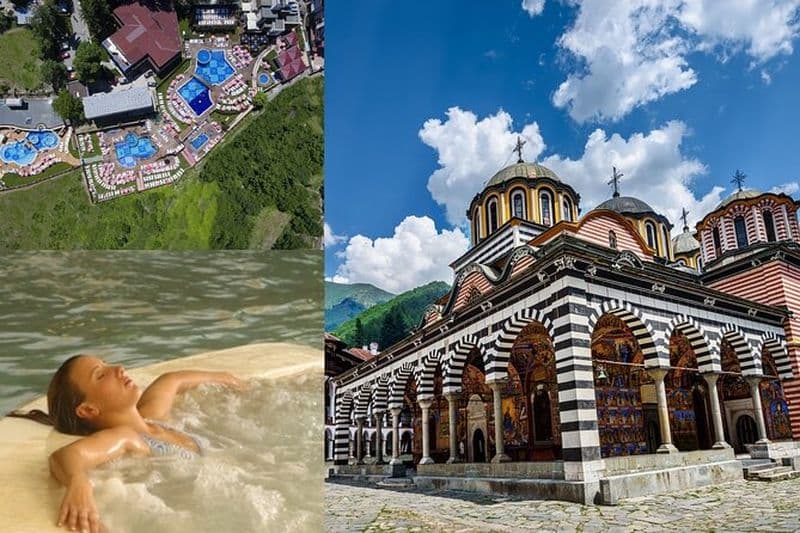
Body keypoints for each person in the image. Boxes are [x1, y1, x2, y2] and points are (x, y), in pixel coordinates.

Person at [9, 354, 244, 533]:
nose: (118, 369)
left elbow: (172, 380)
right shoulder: (127, 437)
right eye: (100, 375)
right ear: (88, 409)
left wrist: (227, 379)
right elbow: (68, 455)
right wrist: (78, 483)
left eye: (106, 363)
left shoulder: (152, 417)